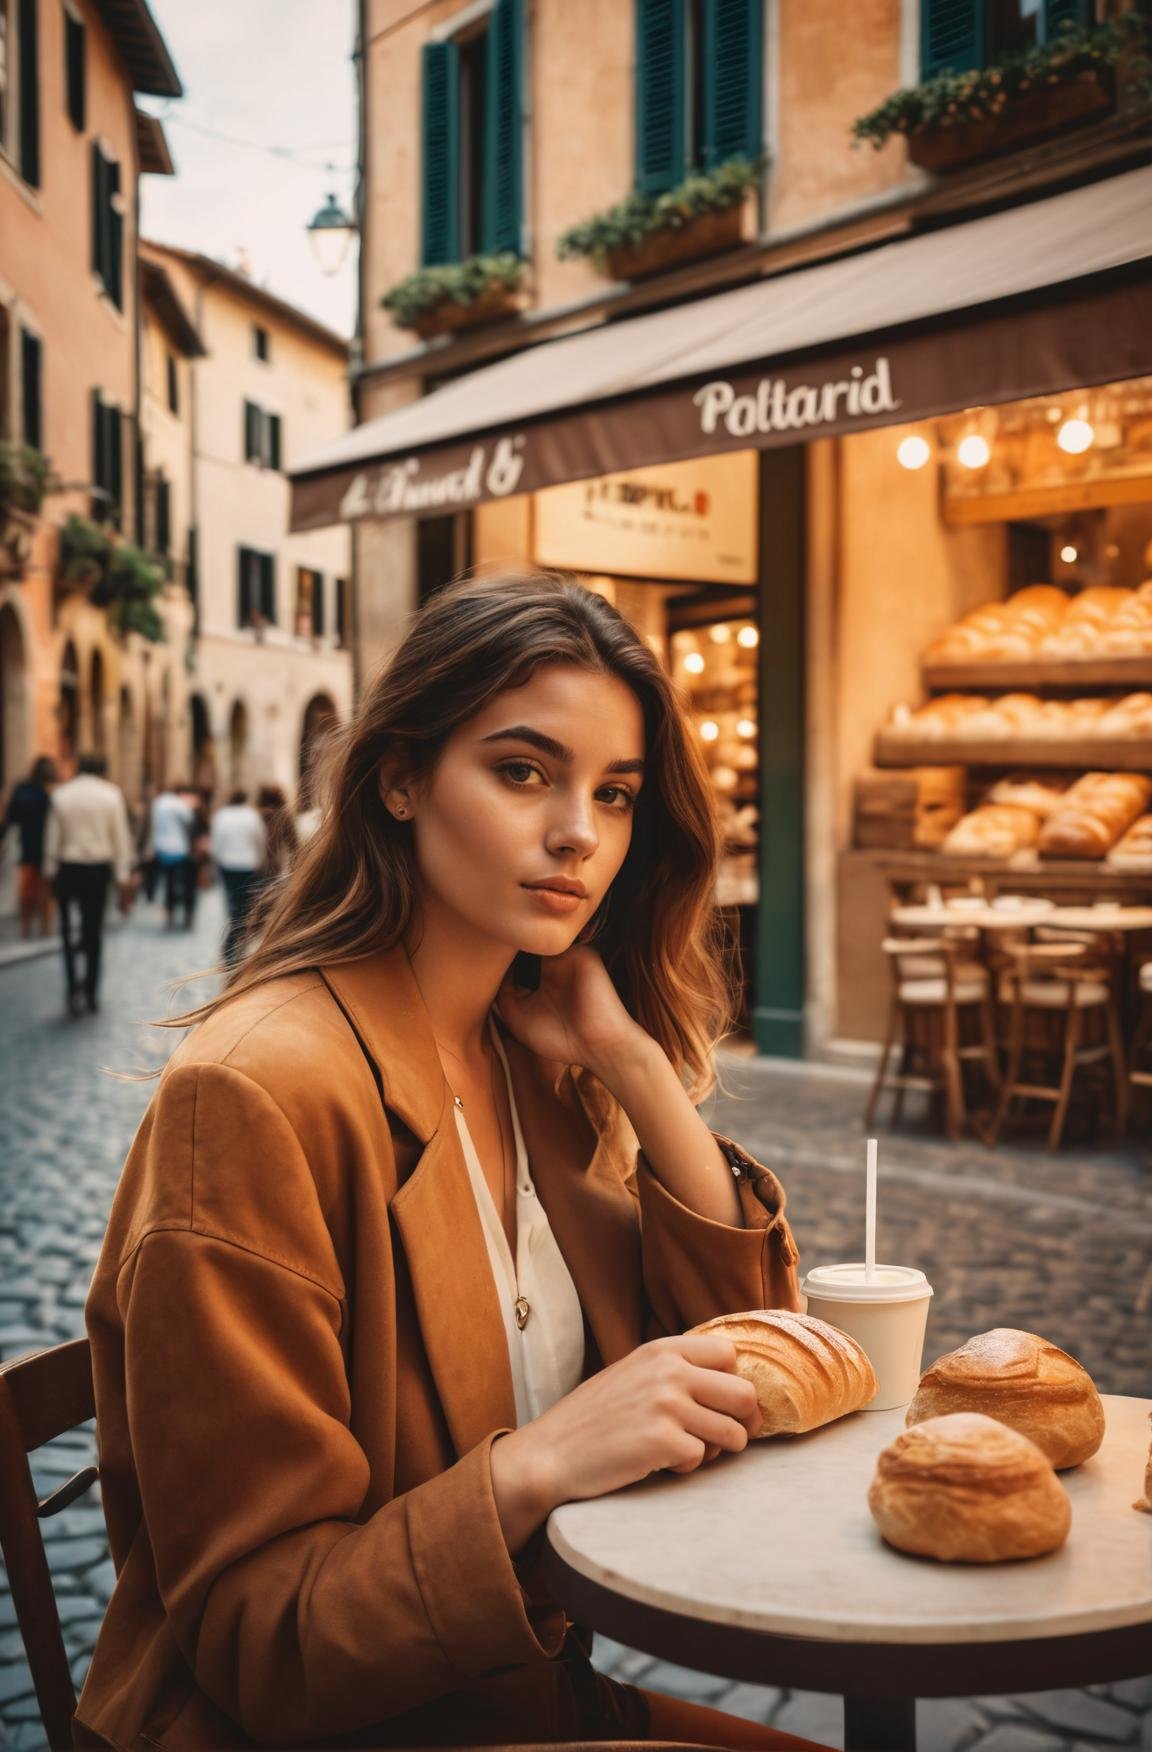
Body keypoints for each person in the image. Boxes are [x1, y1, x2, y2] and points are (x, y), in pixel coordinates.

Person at [73, 575, 828, 1752]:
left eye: (616, 793)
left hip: (520, 1698)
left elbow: (751, 1365)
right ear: (402, 776)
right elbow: (257, 1637)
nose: (580, 830)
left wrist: (632, 1064)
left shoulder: (535, 1057)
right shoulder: (257, 1093)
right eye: (525, 772)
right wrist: (536, 1467)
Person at [43, 751, 134, 1016]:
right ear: (102, 769)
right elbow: (120, 838)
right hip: (97, 870)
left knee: (66, 932)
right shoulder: (111, 794)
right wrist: (122, 875)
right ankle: (92, 993)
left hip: (67, 868)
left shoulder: (61, 795)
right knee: (93, 932)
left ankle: (72, 988)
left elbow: (52, 837)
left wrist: (50, 871)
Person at [1, 755, 58, 937]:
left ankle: (28, 927)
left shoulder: (22, 789)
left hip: (27, 845)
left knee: (28, 890)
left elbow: (11, 816)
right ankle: (44, 927)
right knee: (44, 890)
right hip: (46, 847)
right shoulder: (51, 792)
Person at [210, 788, 267, 964]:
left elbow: (216, 840)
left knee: (233, 901)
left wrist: (217, 858)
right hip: (248, 864)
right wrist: (261, 858)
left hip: (227, 864)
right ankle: (233, 943)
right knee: (244, 905)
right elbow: (260, 839)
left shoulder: (222, 816)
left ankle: (232, 942)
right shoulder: (252, 816)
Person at [150, 782, 195, 929]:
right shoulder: (178, 804)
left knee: (169, 883)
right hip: (179, 849)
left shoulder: (159, 803)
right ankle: (187, 915)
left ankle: (169, 914)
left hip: (162, 849)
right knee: (186, 883)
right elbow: (189, 819)